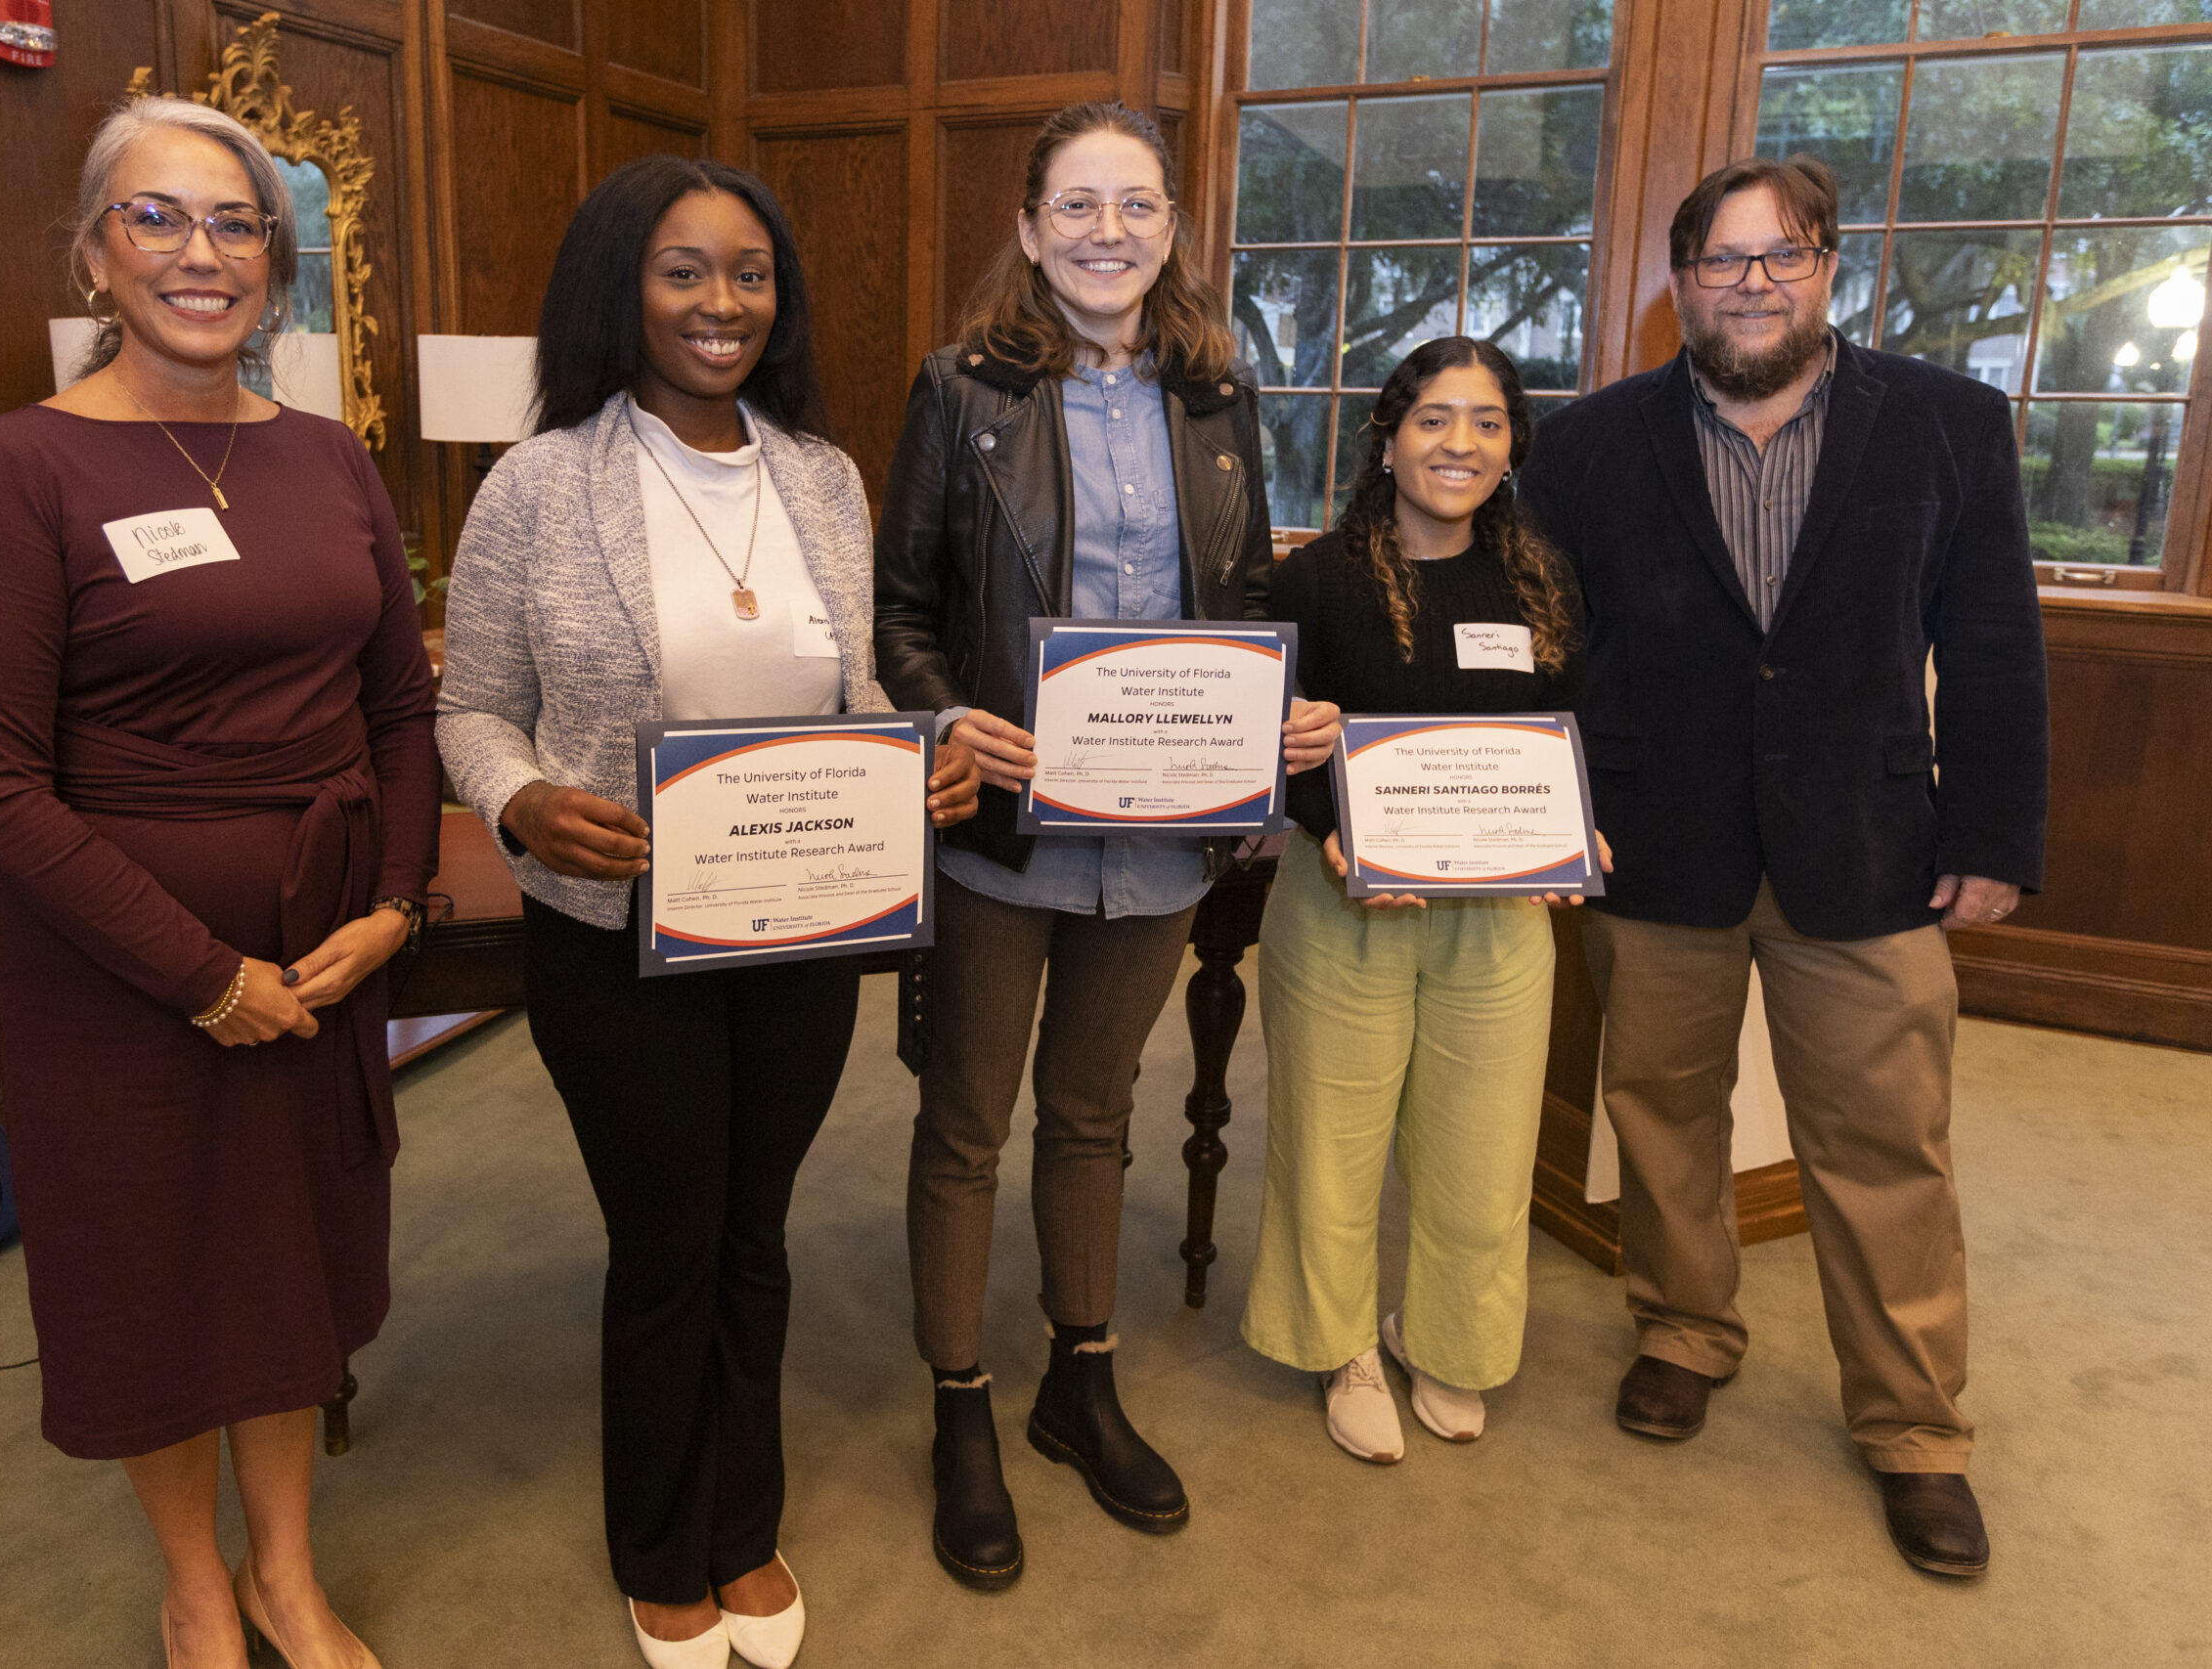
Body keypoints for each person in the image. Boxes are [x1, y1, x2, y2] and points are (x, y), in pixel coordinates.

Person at [434, 156, 978, 1669]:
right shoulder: (535, 483)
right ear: (624, 282)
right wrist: (526, 800)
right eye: (686, 270)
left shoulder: (821, 472)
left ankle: (748, 1519)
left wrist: (915, 751)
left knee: (758, 1223)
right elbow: (471, 707)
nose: (723, 301)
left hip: (802, 920)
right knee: (667, 1231)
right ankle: (659, 1542)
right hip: (619, 933)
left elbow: (851, 683)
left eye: (750, 272)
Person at [0, 98, 437, 1669]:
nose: (199, 255)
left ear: (273, 266)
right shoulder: (16, 471)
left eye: (233, 226)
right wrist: (200, 973)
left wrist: (397, 906)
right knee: (155, 1279)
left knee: (287, 1270)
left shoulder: (330, 456)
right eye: (156, 219)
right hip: (121, 973)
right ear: (92, 249)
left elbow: (400, 706)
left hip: (322, 942)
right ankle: (195, 1586)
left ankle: (284, 1566)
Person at [1519, 154, 2049, 1576]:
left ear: (1828, 267)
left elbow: (1993, 643)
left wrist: (1995, 837)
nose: (1751, 283)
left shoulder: (1948, 424)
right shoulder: (1583, 447)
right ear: (1680, 284)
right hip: (1655, 841)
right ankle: (1686, 1328)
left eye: (1782, 255)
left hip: (1870, 851)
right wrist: (1548, 816)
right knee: (1664, 1114)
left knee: (1886, 1146)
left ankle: (1917, 1427)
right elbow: (1546, 662)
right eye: (1721, 261)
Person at [874, 101, 1340, 1590]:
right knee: (966, 1120)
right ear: (1028, 229)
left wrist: (1265, 718)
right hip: (1005, 828)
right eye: (1076, 207)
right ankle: (962, 1403)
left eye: (1134, 206)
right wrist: (946, 719)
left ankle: (1081, 1374)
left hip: (1161, 830)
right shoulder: (959, 392)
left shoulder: (1218, 400)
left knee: (1094, 1110)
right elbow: (903, 616)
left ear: (1170, 228)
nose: (1106, 234)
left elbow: (1252, 590)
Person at [1242, 336, 1601, 1464]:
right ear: (1387, 439)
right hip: (1345, 903)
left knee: (1484, 1148)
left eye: (1487, 422)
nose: (1460, 444)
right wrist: (1325, 823)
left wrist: (1575, 821)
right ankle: (1341, 1345)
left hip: (1500, 914)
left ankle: (1445, 1338)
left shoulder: (1541, 577)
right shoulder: (1309, 582)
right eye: (1434, 419)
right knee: (1330, 1141)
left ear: (1512, 446)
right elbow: (1267, 742)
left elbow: (1571, 730)